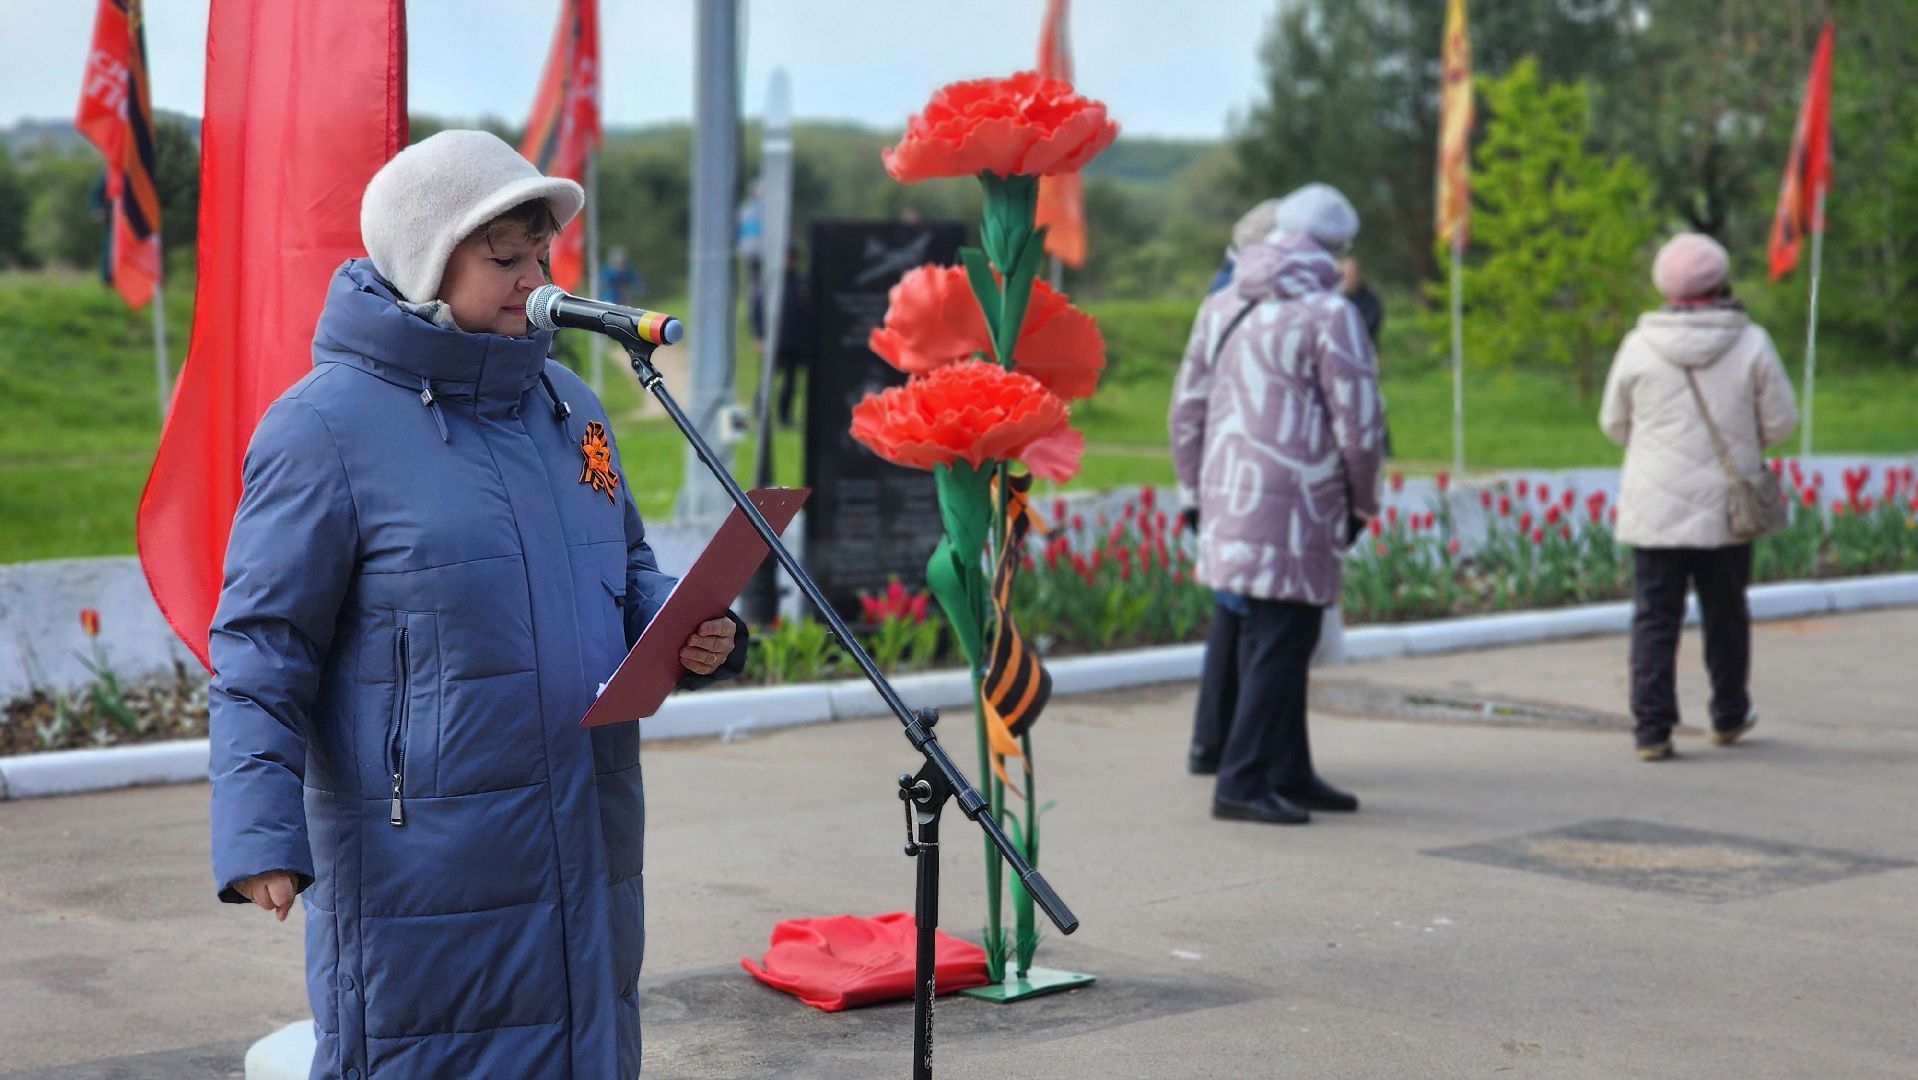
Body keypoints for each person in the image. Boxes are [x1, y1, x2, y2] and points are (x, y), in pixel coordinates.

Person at [207, 130, 746, 1079]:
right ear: (424, 261)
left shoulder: (570, 405)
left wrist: (690, 626)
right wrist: (259, 835)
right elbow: (262, 649)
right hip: (428, 868)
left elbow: (623, 568)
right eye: (504, 256)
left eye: (541, 253)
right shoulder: (321, 429)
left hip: (590, 834)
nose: (533, 277)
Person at [1171, 182, 1384, 825]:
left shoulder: (1224, 302)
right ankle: (1240, 781)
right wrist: (1362, 501)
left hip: (1229, 491)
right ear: (1338, 247)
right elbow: (1361, 425)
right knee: (1285, 639)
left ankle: (1288, 771)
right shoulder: (1331, 313)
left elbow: (1187, 408)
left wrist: (1191, 489)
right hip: (1301, 503)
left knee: (1274, 634)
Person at [1600, 232, 1796, 761]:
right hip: (1727, 506)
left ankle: (1651, 731)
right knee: (1726, 610)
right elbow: (1780, 421)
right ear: (1721, 281)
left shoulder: (1639, 346)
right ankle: (1729, 714)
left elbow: (1614, 423)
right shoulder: (1751, 341)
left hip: (1655, 506)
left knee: (1653, 616)